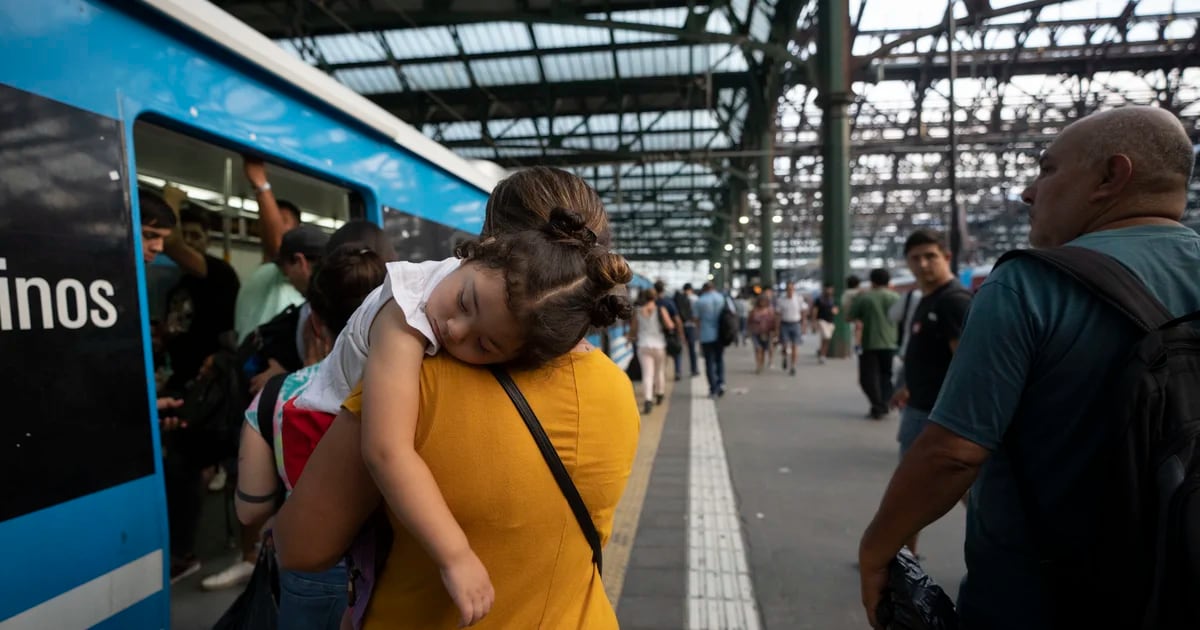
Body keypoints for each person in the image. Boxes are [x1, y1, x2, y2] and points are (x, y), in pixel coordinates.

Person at [859, 106, 1200, 629]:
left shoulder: (1027, 285)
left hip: (1039, 600)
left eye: (1047, 170)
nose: (1028, 192)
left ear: (1112, 176)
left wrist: (878, 549)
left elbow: (952, 454)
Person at [273, 168, 640, 629]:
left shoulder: (422, 385)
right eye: (466, 305)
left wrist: (456, 555)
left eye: (486, 345)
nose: (453, 332)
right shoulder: (618, 391)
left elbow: (301, 547)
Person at [235, 246, 387, 629]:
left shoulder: (277, 395)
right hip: (396, 563)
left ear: (316, 322)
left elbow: (250, 510)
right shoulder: (418, 389)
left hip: (310, 567)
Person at [886, 229, 971, 557]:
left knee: (911, 489)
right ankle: (903, 554)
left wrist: (953, 420)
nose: (922, 264)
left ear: (946, 257)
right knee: (926, 488)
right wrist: (908, 386)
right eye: (915, 258)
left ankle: (898, 558)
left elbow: (965, 365)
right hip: (922, 407)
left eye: (930, 256)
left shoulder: (952, 302)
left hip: (938, 416)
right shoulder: (929, 299)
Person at [847, 269, 900, 420]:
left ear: (872, 281)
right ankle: (884, 402)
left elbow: (849, 317)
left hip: (870, 343)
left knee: (867, 377)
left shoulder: (865, 298)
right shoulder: (896, 297)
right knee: (886, 375)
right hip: (890, 343)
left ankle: (878, 405)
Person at [629, 287, 675, 412]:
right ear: (655, 297)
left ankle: (648, 400)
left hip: (643, 345)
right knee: (659, 371)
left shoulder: (638, 311)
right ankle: (659, 394)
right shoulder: (661, 309)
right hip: (659, 345)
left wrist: (629, 339)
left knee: (647, 374)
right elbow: (670, 325)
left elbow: (633, 329)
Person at [694, 282, 729, 398]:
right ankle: (721, 383)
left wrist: (698, 336)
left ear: (704, 289)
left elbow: (696, 320)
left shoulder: (700, 301)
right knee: (719, 360)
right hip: (721, 334)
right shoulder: (722, 298)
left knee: (709, 362)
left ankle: (713, 388)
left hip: (706, 335)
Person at [653, 280, 685, 381]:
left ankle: (661, 375)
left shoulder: (652, 303)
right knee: (676, 353)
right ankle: (677, 372)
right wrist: (681, 334)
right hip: (670, 333)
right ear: (663, 290)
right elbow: (677, 320)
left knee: (661, 357)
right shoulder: (669, 302)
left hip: (657, 334)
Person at [777, 281, 807, 375]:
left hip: (795, 324)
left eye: (791, 289)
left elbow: (803, 312)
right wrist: (777, 328)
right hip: (785, 324)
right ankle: (785, 357)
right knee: (785, 345)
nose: (790, 291)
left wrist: (803, 324)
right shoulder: (781, 300)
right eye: (788, 289)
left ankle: (793, 366)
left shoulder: (798, 299)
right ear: (786, 290)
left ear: (793, 289)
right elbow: (778, 314)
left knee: (795, 346)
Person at [673, 283, 700, 377]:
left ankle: (678, 371)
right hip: (691, 326)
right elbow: (697, 314)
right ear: (691, 289)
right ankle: (694, 369)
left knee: (678, 349)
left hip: (680, 326)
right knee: (692, 349)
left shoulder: (678, 298)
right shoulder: (695, 298)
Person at [747, 295, 777, 374]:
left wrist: (775, 332)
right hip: (755, 333)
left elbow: (774, 322)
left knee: (763, 350)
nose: (762, 303)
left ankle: (762, 364)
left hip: (766, 333)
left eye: (764, 301)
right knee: (758, 349)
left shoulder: (770, 311)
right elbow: (749, 321)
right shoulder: (754, 311)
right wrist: (749, 331)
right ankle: (758, 365)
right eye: (761, 301)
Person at [809, 284, 838, 364]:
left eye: (831, 289)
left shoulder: (833, 300)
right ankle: (822, 354)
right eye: (828, 289)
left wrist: (835, 311)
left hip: (830, 322)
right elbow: (815, 311)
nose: (829, 291)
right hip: (821, 321)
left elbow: (836, 310)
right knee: (826, 336)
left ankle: (822, 354)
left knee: (826, 339)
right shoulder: (819, 300)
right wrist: (813, 322)